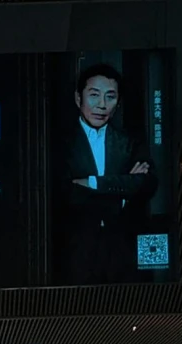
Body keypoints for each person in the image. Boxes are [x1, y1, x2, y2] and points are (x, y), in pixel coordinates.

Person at [59, 60, 154, 284]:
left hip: (122, 248)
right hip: (76, 248)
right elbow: (66, 193)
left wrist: (92, 182)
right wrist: (121, 193)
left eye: (110, 97)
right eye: (94, 95)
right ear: (78, 98)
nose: (102, 105)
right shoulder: (60, 144)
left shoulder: (129, 143)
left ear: (118, 103)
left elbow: (147, 183)